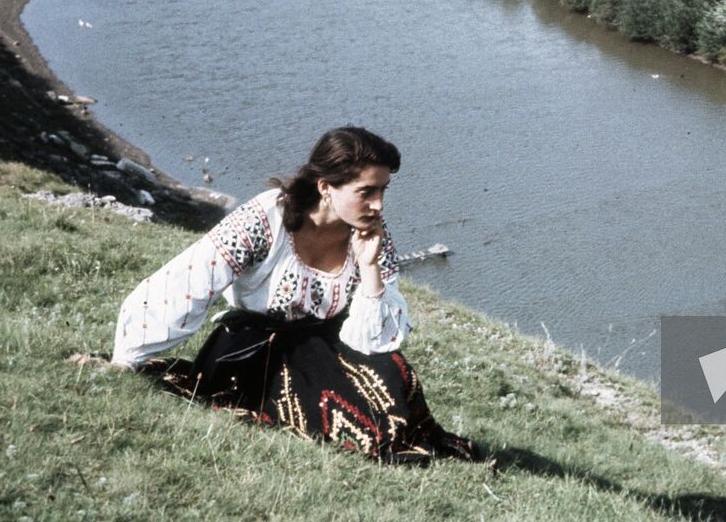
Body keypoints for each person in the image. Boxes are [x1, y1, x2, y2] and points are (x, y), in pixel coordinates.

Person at [112, 126, 477, 465]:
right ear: (325, 187)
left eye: (383, 191)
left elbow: (378, 340)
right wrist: (128, 356)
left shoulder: (370, 232)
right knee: (362, 427)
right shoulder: (268, 215)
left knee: (399, 381)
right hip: (255, 350)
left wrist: (369, 267)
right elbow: (191, 279)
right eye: (366, 192)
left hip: (327, 344)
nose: (379, 204)